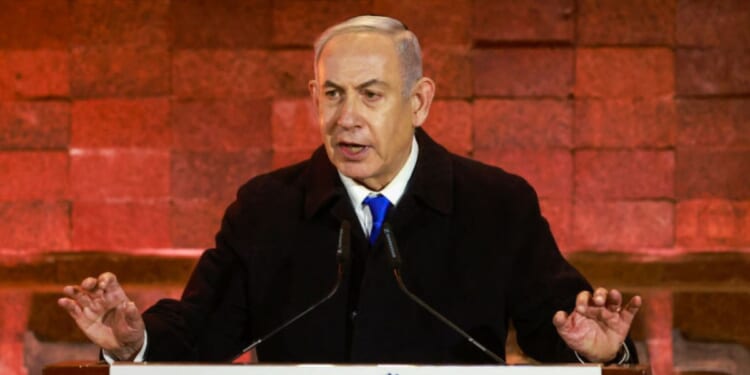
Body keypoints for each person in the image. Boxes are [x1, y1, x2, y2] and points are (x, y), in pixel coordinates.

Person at [58, 15, 641, 365]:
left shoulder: (497, 203)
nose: (346, 118)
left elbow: (560, 331)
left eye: (370, 94)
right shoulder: (265, 208)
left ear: (419, 102)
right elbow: (202, 332)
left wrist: (602, 351)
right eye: (332, 94)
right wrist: (133, 345)